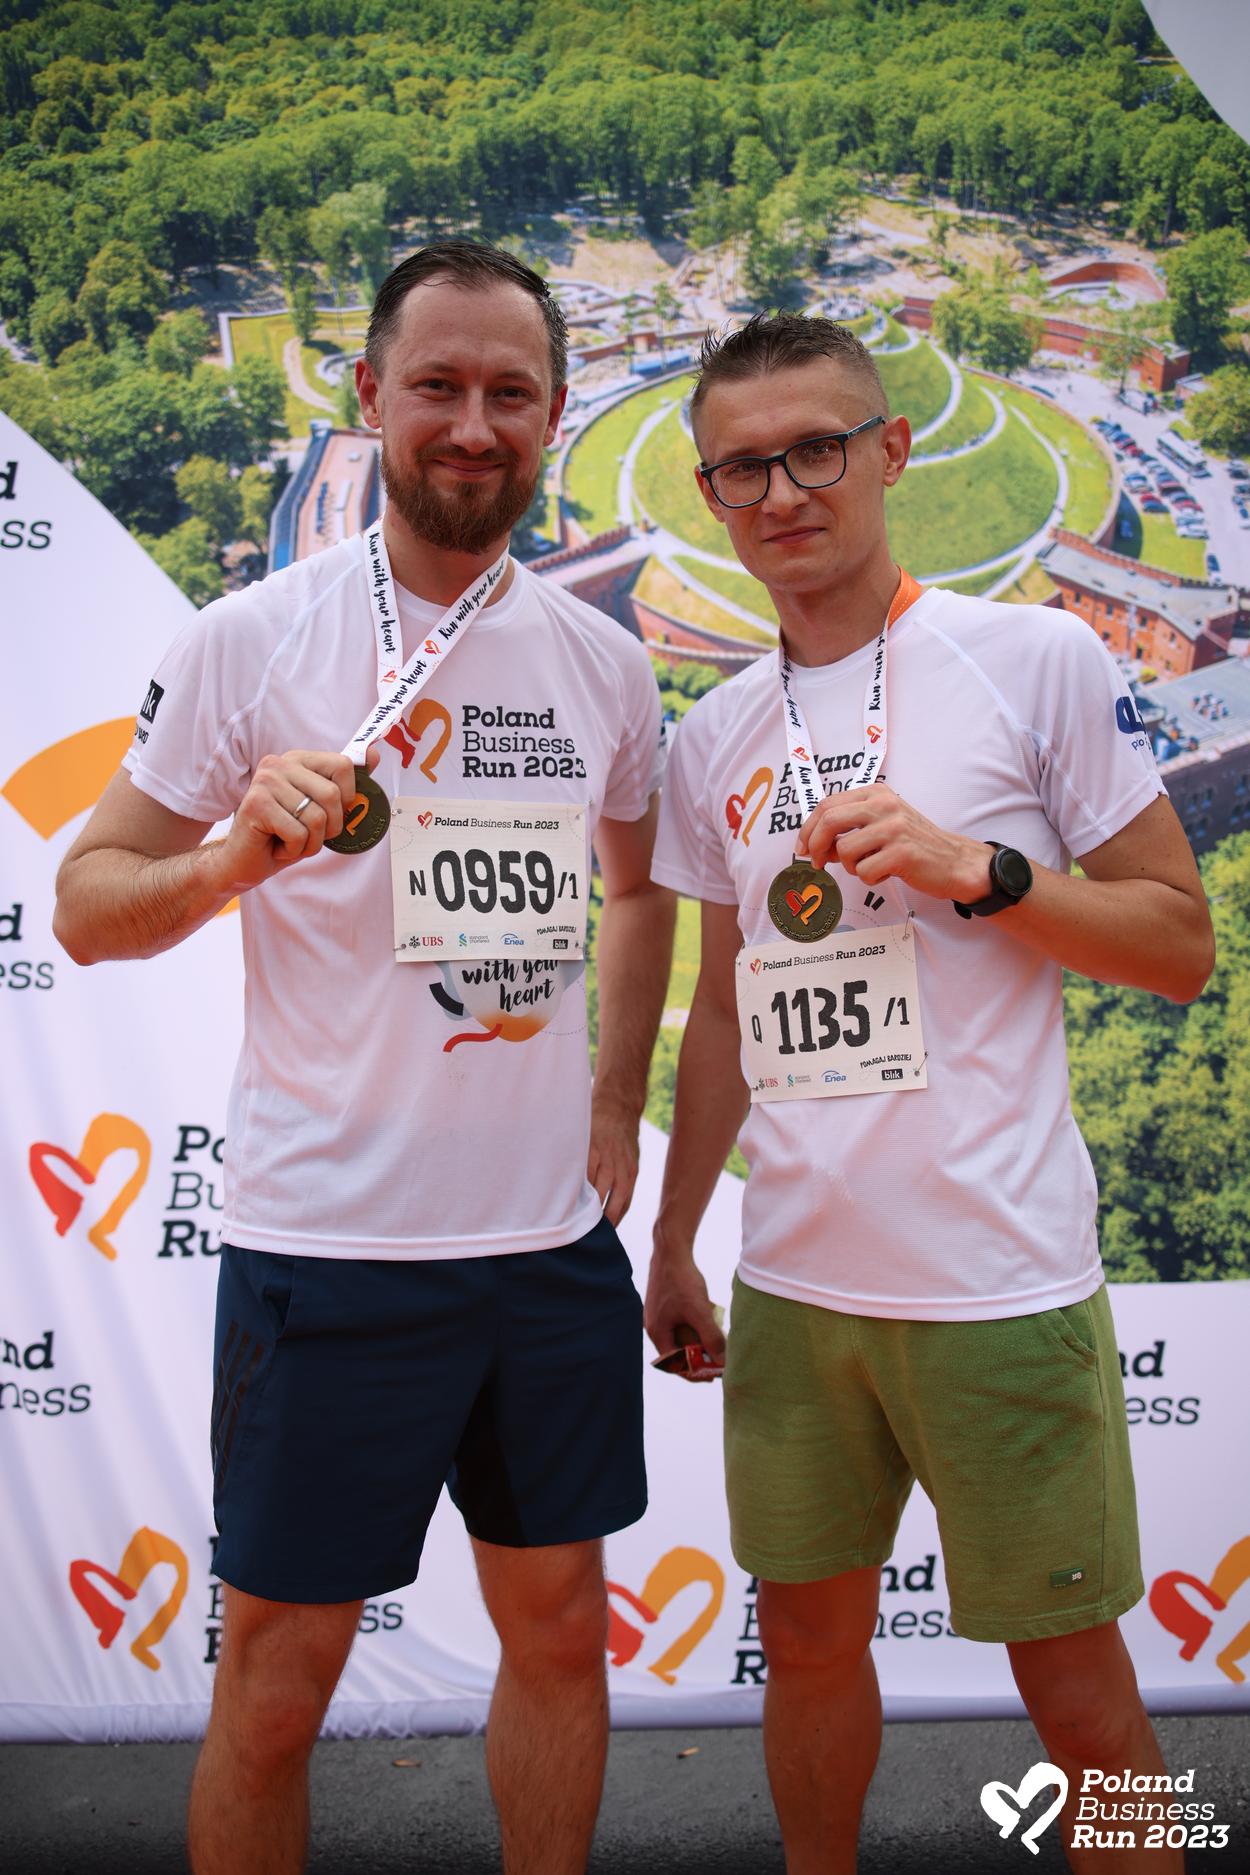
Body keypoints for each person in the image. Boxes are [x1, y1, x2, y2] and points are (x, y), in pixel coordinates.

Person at [54, 240, 675, 1875]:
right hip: (329, 1251)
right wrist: (229, 862)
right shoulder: (249, 642)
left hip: (541, 1256)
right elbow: (86, 907)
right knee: (275, 1689)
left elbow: (635, 892)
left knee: (561, 1639)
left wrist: (617, 1099)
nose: (473, 425)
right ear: (367, 397)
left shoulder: (604, 662)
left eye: (509, 393)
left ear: (555, 412)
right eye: (437, 386)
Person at [645, 312, 1214, 1875]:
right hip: (793, 1286)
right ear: (709, 493)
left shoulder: (1028, 659)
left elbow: (1178, 945)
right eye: (744, 467)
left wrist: (985, 872)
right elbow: (725, 1017)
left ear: (890, 450)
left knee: (1078, 1687)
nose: (783, 492)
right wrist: (676, 1239)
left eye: (816, 449)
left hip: (994, 1281)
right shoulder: (715, 736)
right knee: (805, 1653)